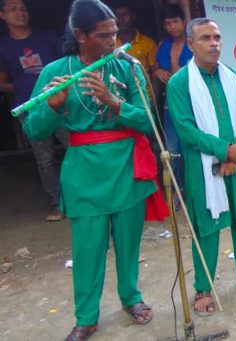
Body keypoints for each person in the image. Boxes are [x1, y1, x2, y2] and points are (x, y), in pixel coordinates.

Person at [21, 0, 168, 339]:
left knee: (129, 243)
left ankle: (131, 297)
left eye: (115, 33)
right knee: (88, 250)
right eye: (104, 36)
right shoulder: (56, 71)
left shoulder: (127, 67)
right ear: (80, 35)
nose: (113, 42)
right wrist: (53, 108)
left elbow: (148, 121)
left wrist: (114, 102)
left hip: (127, 167)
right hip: (84, 173)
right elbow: (33, 131)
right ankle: (86, 316)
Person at [167, 18, 236, 316]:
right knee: (207, 225)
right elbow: (186, 130)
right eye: (205, 38)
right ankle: (203, 287)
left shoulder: (235, 77)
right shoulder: (179, 83)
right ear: (190, 44)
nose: (213, 43)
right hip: (202, 167)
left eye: (217, 37)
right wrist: (225, 151)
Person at [0, 0, 67, 221]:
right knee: (44, 158)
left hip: (61, 104)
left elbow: (66, 66)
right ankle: (58, 202)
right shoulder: (3, 46)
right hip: (29, 109)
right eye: (13, 9)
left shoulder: (47, 38)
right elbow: (2, 82)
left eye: (23, 8)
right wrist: (24, 91)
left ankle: (84, 195)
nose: (20, 13)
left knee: (77, 146)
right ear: (3, 15)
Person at [151, 4, 192, 203]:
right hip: (170, 103)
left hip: (193, 102)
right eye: (167, 23)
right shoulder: (163, 44)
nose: (172, 26)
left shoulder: (194, 43)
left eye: (175, 21)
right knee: (172, 148)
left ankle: (194, 189)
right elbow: (155, 66)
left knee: (192, 146)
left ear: (183, 21)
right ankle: (177, 190)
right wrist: (157, 71)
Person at [113, 3, 156, 72]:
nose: (120, 19)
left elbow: (155, 71)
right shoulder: (110, 43)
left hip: (143, 82)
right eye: (117, 15)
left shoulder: (148, 43)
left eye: (125, 14)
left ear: (133, 16)